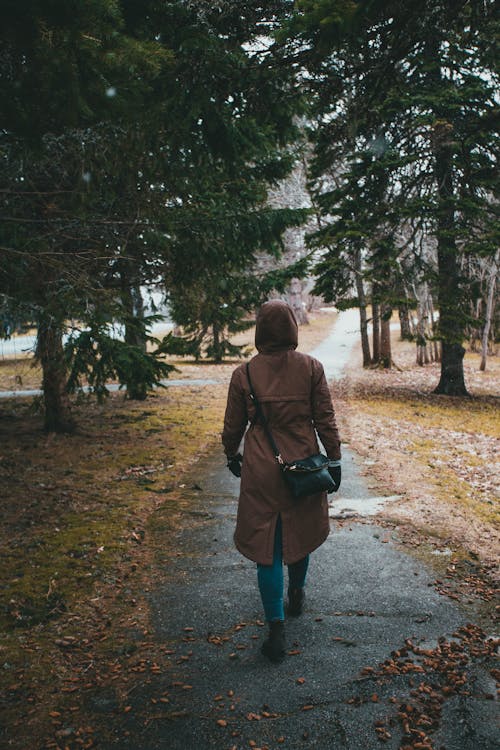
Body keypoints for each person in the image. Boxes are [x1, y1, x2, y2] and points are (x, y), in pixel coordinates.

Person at [222, 300, 341, 663]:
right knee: (300, 532)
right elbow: (325, 419)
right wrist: (333, 458)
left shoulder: (244, 373)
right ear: (292, 327)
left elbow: (233, 426)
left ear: (260, 330)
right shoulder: (311, 368)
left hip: (261, 466)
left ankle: (275, 627)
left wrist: (231, 454)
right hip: (303, 465)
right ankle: (298, 593)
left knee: (266, 547)